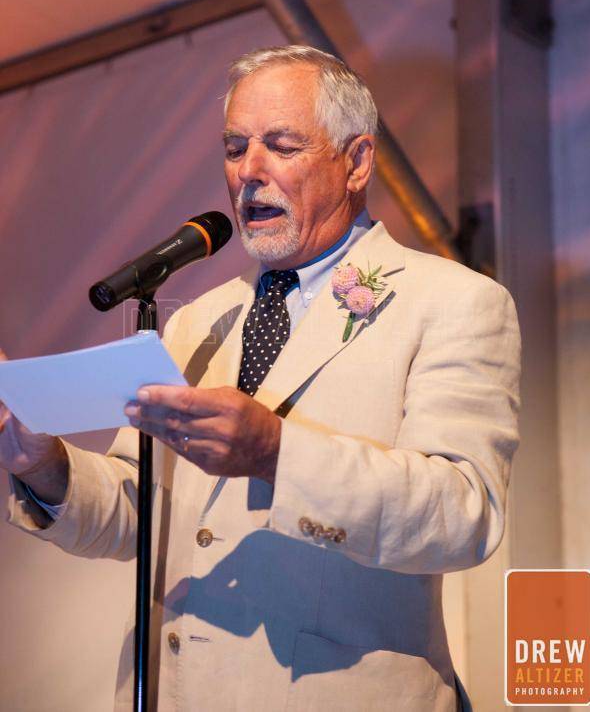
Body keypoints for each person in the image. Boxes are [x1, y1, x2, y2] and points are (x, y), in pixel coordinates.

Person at [2, 45, 520, 711]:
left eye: (281, 145)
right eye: (234, 147)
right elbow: (138, 517)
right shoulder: (200, 321)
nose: (248, 171)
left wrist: (278, 453)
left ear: (357, 162)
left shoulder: (451, 301)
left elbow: (464, 514)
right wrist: (41, 463)